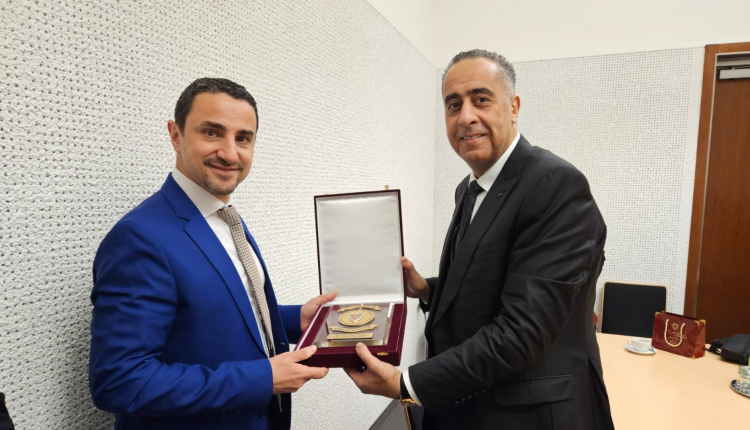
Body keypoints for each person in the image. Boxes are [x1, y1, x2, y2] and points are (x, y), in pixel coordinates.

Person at [345, 50, 615, 430]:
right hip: (466, 403)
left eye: (481, 99)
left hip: (525, 415)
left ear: (514, 107)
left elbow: (523, 331)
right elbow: (491, 281)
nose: (466, 117)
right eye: (453, 104)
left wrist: (406, 384)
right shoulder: (469, 189)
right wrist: (427, 289)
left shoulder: (554, 185)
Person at [89, 78, 335, 430]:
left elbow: (217, 312)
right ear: (176, 135)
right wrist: (263, 378)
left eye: (243, 138)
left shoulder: (224, 217)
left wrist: (296, 319)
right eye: (212, 133)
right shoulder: (138, 237)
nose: (230, 154)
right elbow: (120, 381)